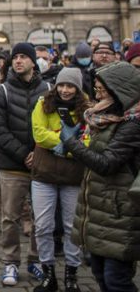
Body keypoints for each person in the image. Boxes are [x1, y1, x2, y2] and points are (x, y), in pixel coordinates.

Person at [61, 62, 140, 292]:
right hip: (98, 207)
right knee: (101, 275)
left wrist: (71, 144)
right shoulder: (104, 116)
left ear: (119, 90)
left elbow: (107, 163)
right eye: (96, 89)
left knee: (116, 280)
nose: (97, 95)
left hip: (120, 212)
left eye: (102, 90)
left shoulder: (132, 123)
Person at [0, 42, 51, 286]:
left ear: (33, 62)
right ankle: (10, 262)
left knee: (41, 217)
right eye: (15, 57)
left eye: (24, 57)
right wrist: (23, 153)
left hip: (42, 164)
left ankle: (36, 260)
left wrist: (38, 152)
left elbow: (53, 125)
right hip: (11, 165)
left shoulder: (48, 89)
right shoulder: (2, 91)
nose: (18, 61)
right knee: (10, 217)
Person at [30, 68, 89, 292]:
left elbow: (88, 140)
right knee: (43, 226)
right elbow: (38, 134)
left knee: (71, 226)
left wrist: (64, 147)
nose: (65, 90)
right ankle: (48, 275)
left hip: (72, 176)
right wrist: (69, 144)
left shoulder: (87, 109)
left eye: (70, 86)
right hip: (44, 174)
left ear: (78, 88)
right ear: (56, 86)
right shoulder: (43, 104)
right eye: (62, 85)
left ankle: (71, 275)